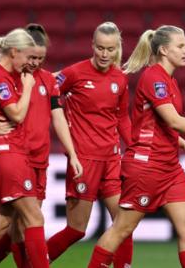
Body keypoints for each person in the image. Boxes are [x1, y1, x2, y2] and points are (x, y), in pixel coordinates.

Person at [87, 25, 185, 268]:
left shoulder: (169, 80)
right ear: (165, 50)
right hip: (147, 166)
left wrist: (181, 141)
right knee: (122, 228)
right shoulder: (154, 77)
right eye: (181, 46)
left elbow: (157, 124)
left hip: (170, 167)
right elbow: (173, 120)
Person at [0, 23, 82, 268]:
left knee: (4, 223)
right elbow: (6, 114)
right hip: (13, 155)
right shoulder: (9, 76)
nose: (35, 62)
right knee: (30, 219)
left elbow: (58, 115)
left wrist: (72, 152)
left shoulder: (46, 79)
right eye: (31, 56)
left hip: (35, 158)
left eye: (40, 58)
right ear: (19, 51)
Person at [45, 21, 134, 268]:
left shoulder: (120, 78)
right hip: (83, 160)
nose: (105, 54)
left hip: (112, 159)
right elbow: (46, 91)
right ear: (92, 45)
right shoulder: (74, 73)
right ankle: (34, 262)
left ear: (118, 48)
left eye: (111, 49)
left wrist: (134, 147)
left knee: (124, 223)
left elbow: (122, 117)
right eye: (101, 48)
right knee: (76, 229)